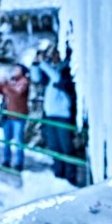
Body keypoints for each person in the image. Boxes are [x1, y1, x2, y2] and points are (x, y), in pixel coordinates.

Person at [31, 45, 77, 184]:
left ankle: (70, 178)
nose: (53, 57)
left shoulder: (66, 70)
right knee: (54, 146)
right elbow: (36, 77)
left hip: (63, 116)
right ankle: (59, 175)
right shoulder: (51, 71)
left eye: (56, 54)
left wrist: (43, 64)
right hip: (49, 116)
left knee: (66, 147)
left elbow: (58, 79)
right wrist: (35, 63)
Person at [0, 64, 30, 171]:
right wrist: (0, 83)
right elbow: (1, 91)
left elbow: (17, 93)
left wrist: (5, 83)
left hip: (18, 116)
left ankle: (19, 163)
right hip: (8, 115)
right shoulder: (11, 82)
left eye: (17, 69)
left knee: (18, 140)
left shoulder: (24, 82)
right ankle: (6, 160)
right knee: (6, 139)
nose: (14, 70)